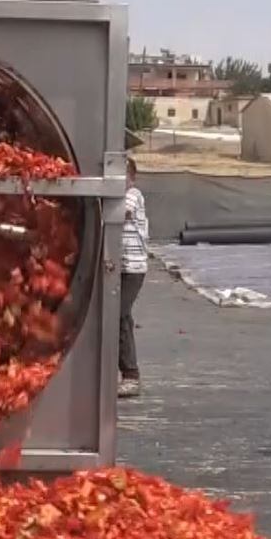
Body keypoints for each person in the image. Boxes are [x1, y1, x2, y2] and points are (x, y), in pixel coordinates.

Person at [118, 157, 148, 398]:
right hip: (118, 267)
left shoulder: (134, 195)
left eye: (123, 175)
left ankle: (131, 375)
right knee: (118, 317)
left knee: (120, 314)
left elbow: (121, 212)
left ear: (132, 178)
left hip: (133, 268)